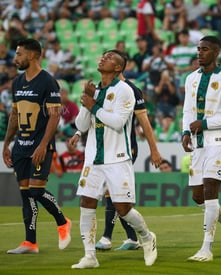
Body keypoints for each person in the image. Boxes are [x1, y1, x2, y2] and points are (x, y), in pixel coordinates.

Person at [71, 49, 157, 269]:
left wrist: (93, 105)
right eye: (103, 56)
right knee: (86, 203)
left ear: (118, 67)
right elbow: (81, 126)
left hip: (117, 159)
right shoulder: (96, 90)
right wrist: (86, 103)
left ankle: (147, 237)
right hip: (93, 159)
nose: (103, 58)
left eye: (109, 58)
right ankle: (90, 256)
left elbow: (118, 122)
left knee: (123, 208)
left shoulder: (125, 91)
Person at [2, 38, 72, 254]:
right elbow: (14, 115)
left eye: (19, 54)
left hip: (39, 146)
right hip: (20, 147)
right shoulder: (17, 82)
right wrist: (7, 144)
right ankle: (30, 242)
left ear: (32, 55)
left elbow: (54, 117)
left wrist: (43, 145)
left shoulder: (48, 82)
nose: (15, 59)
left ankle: (63, 221)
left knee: (36, 190)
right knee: (26, 194)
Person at [181, 35, 221, 261]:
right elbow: (188, 109)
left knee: (209, 192)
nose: (200, 52)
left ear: (216, 52)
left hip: (218, 142)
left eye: (205, 49)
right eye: (198, 48)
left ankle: (206, 248)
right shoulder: (191, 78)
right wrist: (185, 132)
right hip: (198, 143)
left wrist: (206, 123)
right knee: (198, 196)